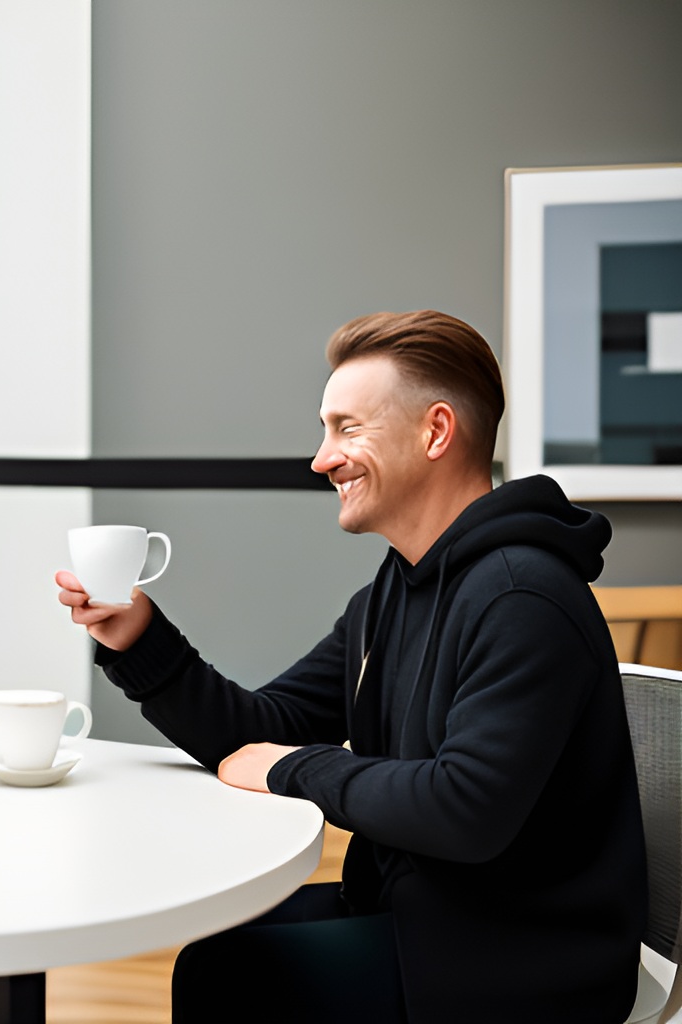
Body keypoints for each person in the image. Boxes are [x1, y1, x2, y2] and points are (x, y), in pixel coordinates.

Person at [56, 310, 646, 1024]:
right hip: (422, 920)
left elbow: (466, 809)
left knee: (232, 977)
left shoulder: (523, 597)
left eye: (347, 428)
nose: (321, 458)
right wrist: (139, 638)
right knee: (218, 950)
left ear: (435, 431)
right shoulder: (393, 590)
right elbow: (259, 729)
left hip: (517, 965)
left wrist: (291, 767)